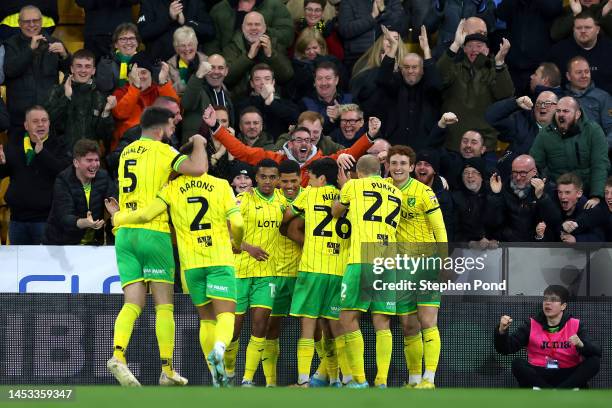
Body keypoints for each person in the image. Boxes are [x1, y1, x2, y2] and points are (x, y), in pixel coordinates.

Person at [107, 142, 243, 387]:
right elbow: (239, 224)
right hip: (218, 258)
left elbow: (145, 214)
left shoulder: (170, 190)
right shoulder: (222, 186)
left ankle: (119, 354)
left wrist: (118, 217)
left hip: (189, 265)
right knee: (219, 315)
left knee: (204, 319)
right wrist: (238, 242)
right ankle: (203, 361)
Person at [106, 106, 207, 387]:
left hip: (125, 232)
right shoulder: (164, 152)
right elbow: (198, 168)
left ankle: (118, 355)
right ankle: (167, 369)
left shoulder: (126, 151)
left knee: (132, 302)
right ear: (161, 129)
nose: (173, 133)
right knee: (164, 305)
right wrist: (199, 142)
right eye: (172, 127)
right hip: (153, 232)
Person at [331, 154, 403, 388]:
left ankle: (359, 379)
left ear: (359, 172)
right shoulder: (396, 192)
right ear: (381, 171)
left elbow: (335, 212)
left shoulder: (353, 185)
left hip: (362, 257)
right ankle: (381, 380)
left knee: (347, 317)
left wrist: (344, 187)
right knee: (382, 321)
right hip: (388, 259)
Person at [280, 157, 349, 387]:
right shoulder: (346, 197)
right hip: (339, 270)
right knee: (335, 329)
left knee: (308, 328)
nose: (307, 181)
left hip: (313, 268)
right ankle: (341, 379)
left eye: (309, 177)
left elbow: (288, 217)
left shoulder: (309, 194)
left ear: (321, 178)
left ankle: (302, 381)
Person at [386, 145, 447, 389]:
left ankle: (429, 379)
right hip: (400, 266)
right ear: (387, 166)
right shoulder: (383, 191)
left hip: (426, 262)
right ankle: (413, 379)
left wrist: (443, 259)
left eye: (403, 163)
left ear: (411, 167)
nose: (398, 167)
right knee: (407, 323)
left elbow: (439, 227)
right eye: (394, 163)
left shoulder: (423, 192)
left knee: (427, 320)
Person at [222, 159, 285, 387]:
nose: (268, 181)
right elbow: (226, 227)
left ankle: (247, 378)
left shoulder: (283, 201)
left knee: (260, 325)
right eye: (263, 177)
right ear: (255, 178)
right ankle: (229, 371)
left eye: (272, 177)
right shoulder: (243, 199)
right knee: (234, 331)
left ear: (277, 179)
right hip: (239, 272)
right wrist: (249, 248)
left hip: (268, 273)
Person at [204, 105, 379, 186]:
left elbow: (351, 152)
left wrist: (370, 135)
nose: (304, 143)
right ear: (290, 142)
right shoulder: (275, 159)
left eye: (308, 140)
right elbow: (242, 151)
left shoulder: (321, 162)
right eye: (299, 140)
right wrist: (215, 127)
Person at [495, 285, 601, 389]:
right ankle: (550, 391)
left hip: (567, 374)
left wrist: (581, 344)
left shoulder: (575, 324)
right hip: (540, 373)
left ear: (563, 306)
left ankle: (561, 390)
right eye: (545, 299)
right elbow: (505, 349)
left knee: (594, 362)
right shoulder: (531, 324)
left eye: (553, 300)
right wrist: (502, 330)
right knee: (517, 363)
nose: (548, 303)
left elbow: (597, 351)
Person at [436, 20, 514, 159]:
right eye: (470, 46)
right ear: (464, 49)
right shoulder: (454, 68)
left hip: (485, 147)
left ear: (487, 50)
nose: (474, 50)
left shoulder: (494, 69)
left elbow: (506, 94)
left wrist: (500, 63)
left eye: (479, 46)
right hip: (453, 145)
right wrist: (455, 45)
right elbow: (437, 79)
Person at [0, 106, 71, 245]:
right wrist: (1, 163)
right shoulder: (13, 146)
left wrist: (42, 153)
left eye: (44, 120)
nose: (40, 124)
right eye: (35, 121)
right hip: (17, 220)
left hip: (46, 221)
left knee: (45, 265)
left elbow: (64, 173)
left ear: (49, 123)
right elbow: (2, 174)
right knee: (19, 266)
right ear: (26, 125)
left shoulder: (59, 145)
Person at [261, 160, 304, 387]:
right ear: (278, 180)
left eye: (293, 181)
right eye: (284, 181)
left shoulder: (310, 197)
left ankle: (315, 380)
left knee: (315, 329)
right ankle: (270, 383)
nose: (289, 185)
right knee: (271, 328)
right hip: (275, 272)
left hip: (304, 273)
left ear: (301, 178)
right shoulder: (271, 199)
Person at [3, 5, 70, 139]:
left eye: (35, 20)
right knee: (18, 158)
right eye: (27, 22)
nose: (32, 25)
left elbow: (73, 72)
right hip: (19, 119)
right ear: (19, 23)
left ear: (41, 21)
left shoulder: (54, 42)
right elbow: (10, 71)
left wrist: (65, 55)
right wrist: (30, 49)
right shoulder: (10, 44)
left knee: (48, 158)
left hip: (49, 116)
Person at [373, 26, 443, 150]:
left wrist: (426, 50)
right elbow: (382, 79)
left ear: (422, 70)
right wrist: (393, 47)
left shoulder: (428, 86)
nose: (410, 71)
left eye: (415, 67)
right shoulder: (395, 84)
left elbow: (435, 85)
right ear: (401, 69)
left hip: (424, 145)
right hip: (395, 144)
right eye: (406, 67)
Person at [529, 96, 610, 199]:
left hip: (587, 192)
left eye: (566, 111)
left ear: (577, 114)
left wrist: (596, 196)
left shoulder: (593, 131)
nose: (561, 115)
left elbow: (600, 165)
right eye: (558, 111)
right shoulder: (545, 134)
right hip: (557, 193)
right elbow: (534, 164)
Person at [44, 139, 117, 245]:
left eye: (96, 160)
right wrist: (85, 223)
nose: (95, 164)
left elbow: (114, 198)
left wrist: (115, 211)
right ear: (76, 162)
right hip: (63, 244)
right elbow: (65, 217)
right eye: (89, 160)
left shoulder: (103, 177)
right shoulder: (63, 180)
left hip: (93, 244)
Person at [45, 48, 116, 153]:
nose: (83, 70)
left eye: (88, 66)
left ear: (93, 71)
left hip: (90, 156)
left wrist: (106, 113)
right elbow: (50, 124)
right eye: (79, 66)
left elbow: (105, 136)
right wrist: (66, 97)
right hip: (62, 156)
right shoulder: (58, 91)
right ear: (72, 69)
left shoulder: (100, 96)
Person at [111, 52, 179, 150]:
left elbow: (175, 111)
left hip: (157, 145)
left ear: (151, 75)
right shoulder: (120, 92)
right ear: (129, 76)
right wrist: (135, 88)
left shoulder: (158, 90)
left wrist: (163, 82)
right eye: (136, 73)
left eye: (143, 72)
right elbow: (121, 113)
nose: (140, 77)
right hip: (128, 147)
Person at [485, 154, 561, 242]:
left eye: (523, 173)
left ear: (534, 172)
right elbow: (492, 222)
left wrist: (542, 197)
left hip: (538, 245)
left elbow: (555, 220)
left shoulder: (548, 188)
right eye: (514, 172)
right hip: (508, 246)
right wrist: (496, 195)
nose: (518, 177)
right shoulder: (502, 188)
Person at [494, 0, 563, 94]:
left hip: (539, 67)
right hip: (515, 66)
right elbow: (501, 13)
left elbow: (553, 9)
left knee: (540, 102)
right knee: (513, 101)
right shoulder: (517, 3)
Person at [222, 11, 294, 100]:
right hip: (241, 100)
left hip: (272, 99)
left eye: (257, 24)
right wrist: (248, 57)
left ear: (264, 28)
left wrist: (270, 55)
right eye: (249, 24)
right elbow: (226, 77)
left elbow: (287, 75)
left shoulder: (275, 45)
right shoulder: (232, 47)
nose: (253, 28)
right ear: (242, 28)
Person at [547, 11, 612, 95]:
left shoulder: (609, 48)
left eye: (588, 27)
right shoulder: (558, 51)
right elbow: (550, 84)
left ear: (597, 30)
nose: (583, 31)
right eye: (578, 28)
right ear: (573, 29)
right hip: (569, 102)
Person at [234, 63, 299, 141]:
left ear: (273, 82)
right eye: (258, 79)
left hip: (277, 148)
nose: (263, 83)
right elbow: (240, 119)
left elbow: (295, 118)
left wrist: (271, 103)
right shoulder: (242, 103)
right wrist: (262, 98)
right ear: (252, 83)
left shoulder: (284, 103)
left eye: (267, 79)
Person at [337, 0, 407, 72]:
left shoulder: (391, 1)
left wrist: (383, 10)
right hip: (359, 56)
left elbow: (402, 25)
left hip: (388, 53)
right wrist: (372, 16)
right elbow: (345, 30)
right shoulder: (348, 2)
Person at [205, 0, 294, 55]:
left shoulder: (275, 5)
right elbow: (211, 42)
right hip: (230, 67)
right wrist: (219, 63)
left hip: (266, 67)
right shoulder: (220, 9)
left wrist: (262, 31)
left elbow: (288, 36)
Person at [137, 0, 215, 62]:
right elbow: (142, 33)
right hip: (160, 64)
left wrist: (186, 22)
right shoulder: (149, 2)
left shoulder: (195, 2)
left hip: (192, 65)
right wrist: (168, 18)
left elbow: (210, 31)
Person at [485, 92, 559, 156]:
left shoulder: (564, 128)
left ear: (557, 108)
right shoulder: (521, 121)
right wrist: (515, 103)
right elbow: (491, 116)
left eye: (548, 104)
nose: (542, 106)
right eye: (539, 103)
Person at [182, 54, 234, 143]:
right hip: (198, 149)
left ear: (226, 71)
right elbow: (187, 103)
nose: (216, 72)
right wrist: (199, 75)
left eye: (220, 68)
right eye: (212, 68)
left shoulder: (227, 96)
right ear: (204, 69)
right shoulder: (197, 91)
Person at [564, 56, 612, 144]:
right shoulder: (562, 98)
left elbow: (611, 129)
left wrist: (600, 148)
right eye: (579, 72)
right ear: (568, 76)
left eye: (587, 72)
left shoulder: (603, 97)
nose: (584, 76)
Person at [300, 61, 352, 135]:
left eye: (328, 78)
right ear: (314, 82)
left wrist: (340, 117)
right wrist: (330, 121)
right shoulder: (305, 103)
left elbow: (358, 130)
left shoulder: (349, 100)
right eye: (319, 78)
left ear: (336, 80)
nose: (323, 83)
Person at [552, 172, 607, 242]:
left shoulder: (589, 209)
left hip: (582, 252)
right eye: (560, 192)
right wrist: (562, 227)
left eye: (567, 192)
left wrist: (576, 240)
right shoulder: (552, 204)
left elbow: (598, 239)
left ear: (579, 193)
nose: (562, 197)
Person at [95, 23, 141, 95]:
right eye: (123, 39)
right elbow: (104, 93)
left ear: (137, 43)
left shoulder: (145, 63)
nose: (128, 42)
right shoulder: (106, 64)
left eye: (132, 38)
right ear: (116, 44)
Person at [273, 111, 346, 155]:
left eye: (316, 132)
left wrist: (342, 156)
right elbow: (271, 157)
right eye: (306, 131)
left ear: (321, 130)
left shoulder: (325, 142)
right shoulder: (286, 140)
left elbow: (347, 151)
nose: (310, 136)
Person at [166, 26, 209, 97]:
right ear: (176, 48)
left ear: (196, 44)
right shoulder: (169, 66)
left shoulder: (206, 61)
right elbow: (169, 92)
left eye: (190, 44)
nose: (187, 48)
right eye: (183, 45)